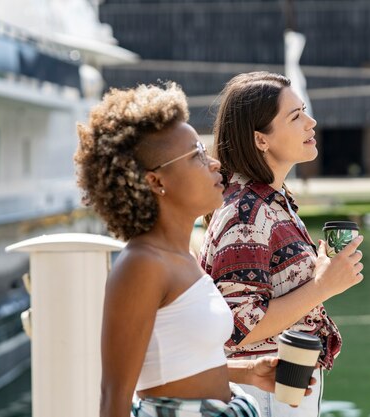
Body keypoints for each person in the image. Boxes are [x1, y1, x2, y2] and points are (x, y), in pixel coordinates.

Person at [74, 82, 313, 417]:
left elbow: (173, 362)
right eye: (197, 156)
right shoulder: (142, 265)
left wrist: (247, 372)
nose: (214, 163)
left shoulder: (181, 256)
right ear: (156, 181)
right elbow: (114, 396)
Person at [200, 72, 364, 417]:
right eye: (296, 116)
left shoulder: (268, 201)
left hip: (279, 392)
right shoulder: (247, 213)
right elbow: (237, 325)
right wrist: (323, 285)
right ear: (261, 139)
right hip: (264, 397)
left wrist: (321, 272)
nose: (311, 122)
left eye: (304, 111)